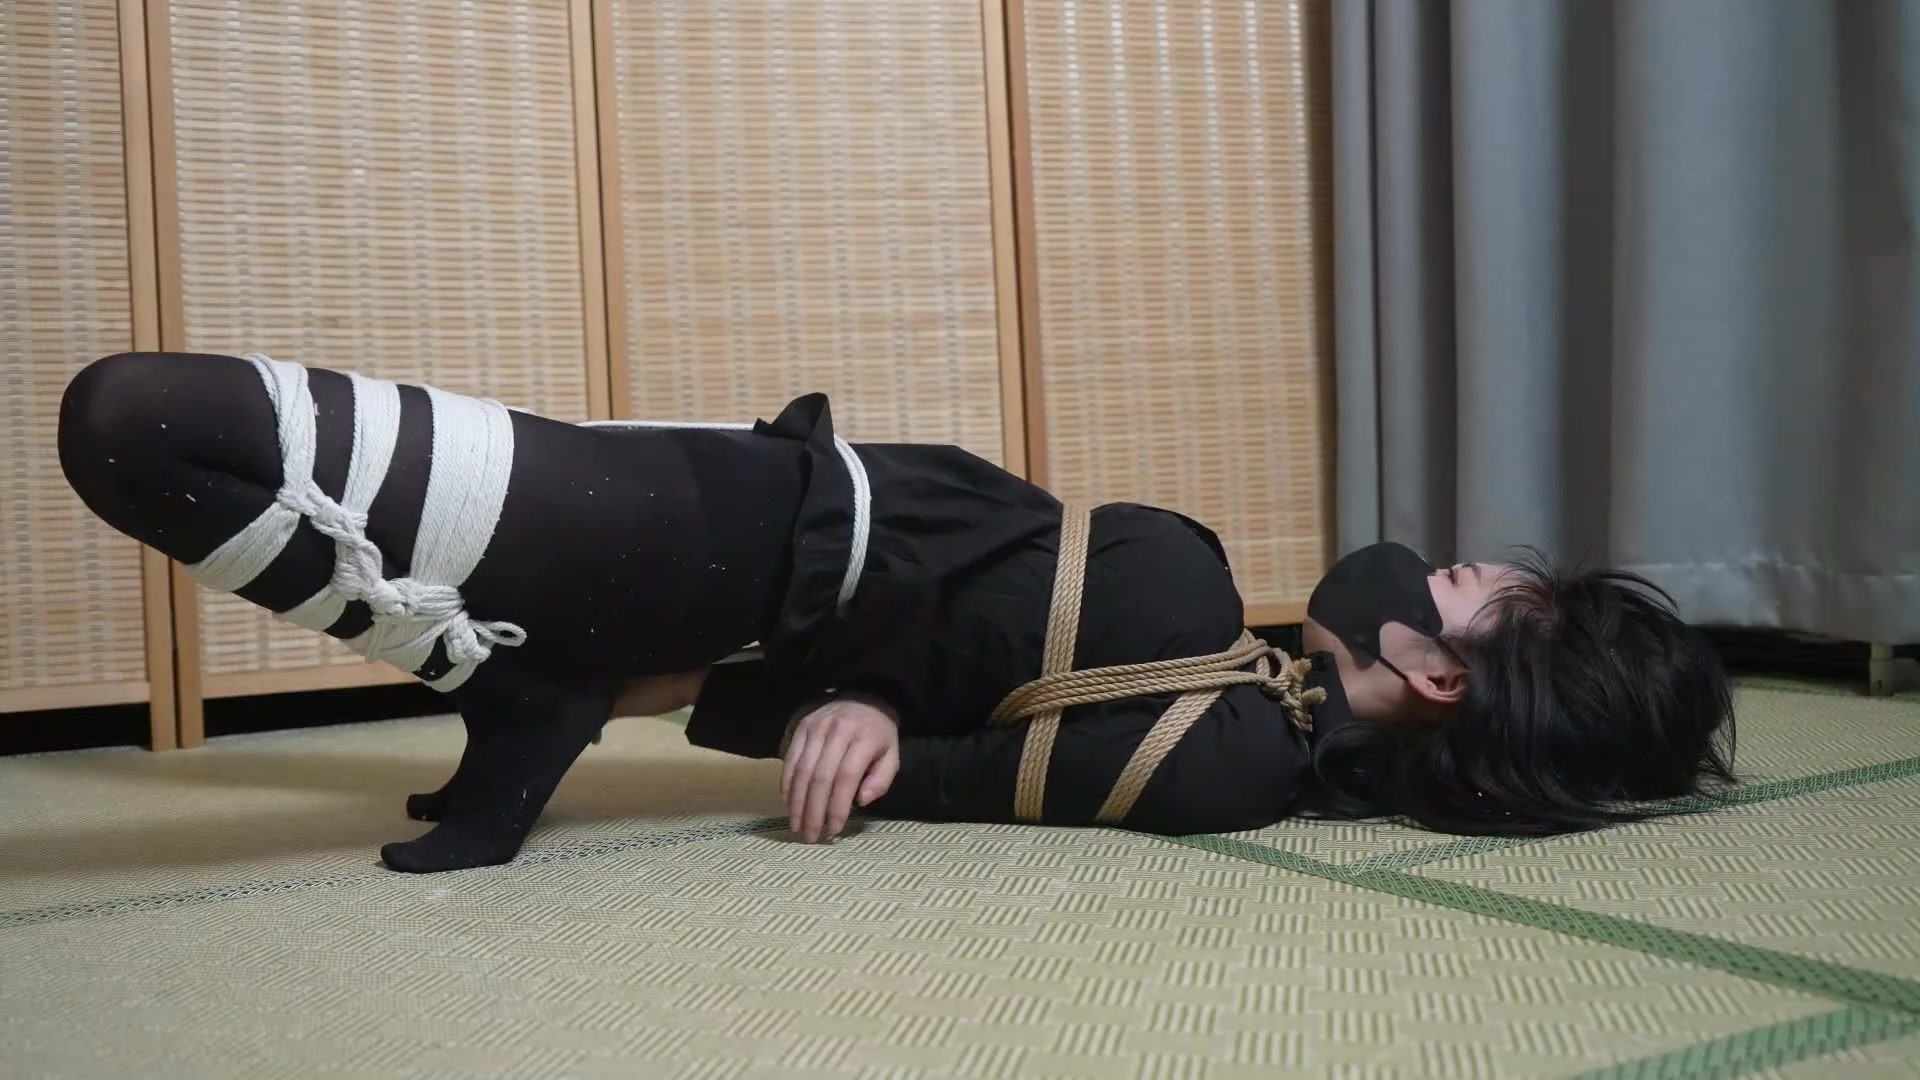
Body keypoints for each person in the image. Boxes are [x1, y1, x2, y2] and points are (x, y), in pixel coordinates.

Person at [57, 351, 1736, 873]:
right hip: (749, 506)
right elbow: (959, 676)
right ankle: (532, 690)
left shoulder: (1225, 756)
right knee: (155, 429)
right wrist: (858, 698)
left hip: (735, 551)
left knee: (142, 423)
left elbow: (941, 762)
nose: (1441, 562)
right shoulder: (1241, 671)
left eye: (1471, 588)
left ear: (1442, 675)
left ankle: (517, 680)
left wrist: (852, 723)